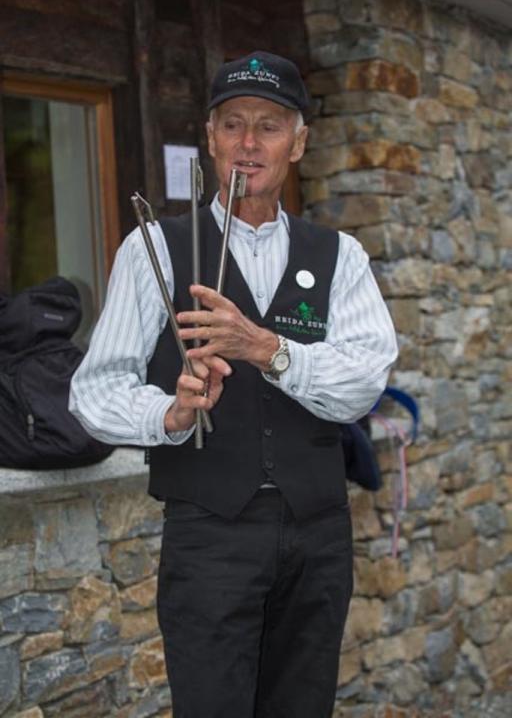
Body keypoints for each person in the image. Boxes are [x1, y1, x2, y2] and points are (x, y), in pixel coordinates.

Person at [70, 50, 398, 718]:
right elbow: (94, 391)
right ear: (211, 139)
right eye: (232, 125)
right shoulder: (156, 248)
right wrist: (168, 415)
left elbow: (365, 380)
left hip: (318, 534)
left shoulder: (339, 257)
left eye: (269, 126)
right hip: (209, 535)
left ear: (297, 143)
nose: (249, 143)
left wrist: (266, 349)